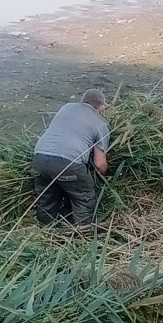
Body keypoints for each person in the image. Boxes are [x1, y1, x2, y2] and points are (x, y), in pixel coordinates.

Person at [32, 89, 111, 226]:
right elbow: (99, 164)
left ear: (82, 101)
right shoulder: (100, 123)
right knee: (84, 196)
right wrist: (105, 177)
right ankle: (81, 234)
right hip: (68, 163)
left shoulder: (66, 108)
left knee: (46, 198)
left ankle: (44, 232)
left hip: (39, 157)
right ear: (101, 106)